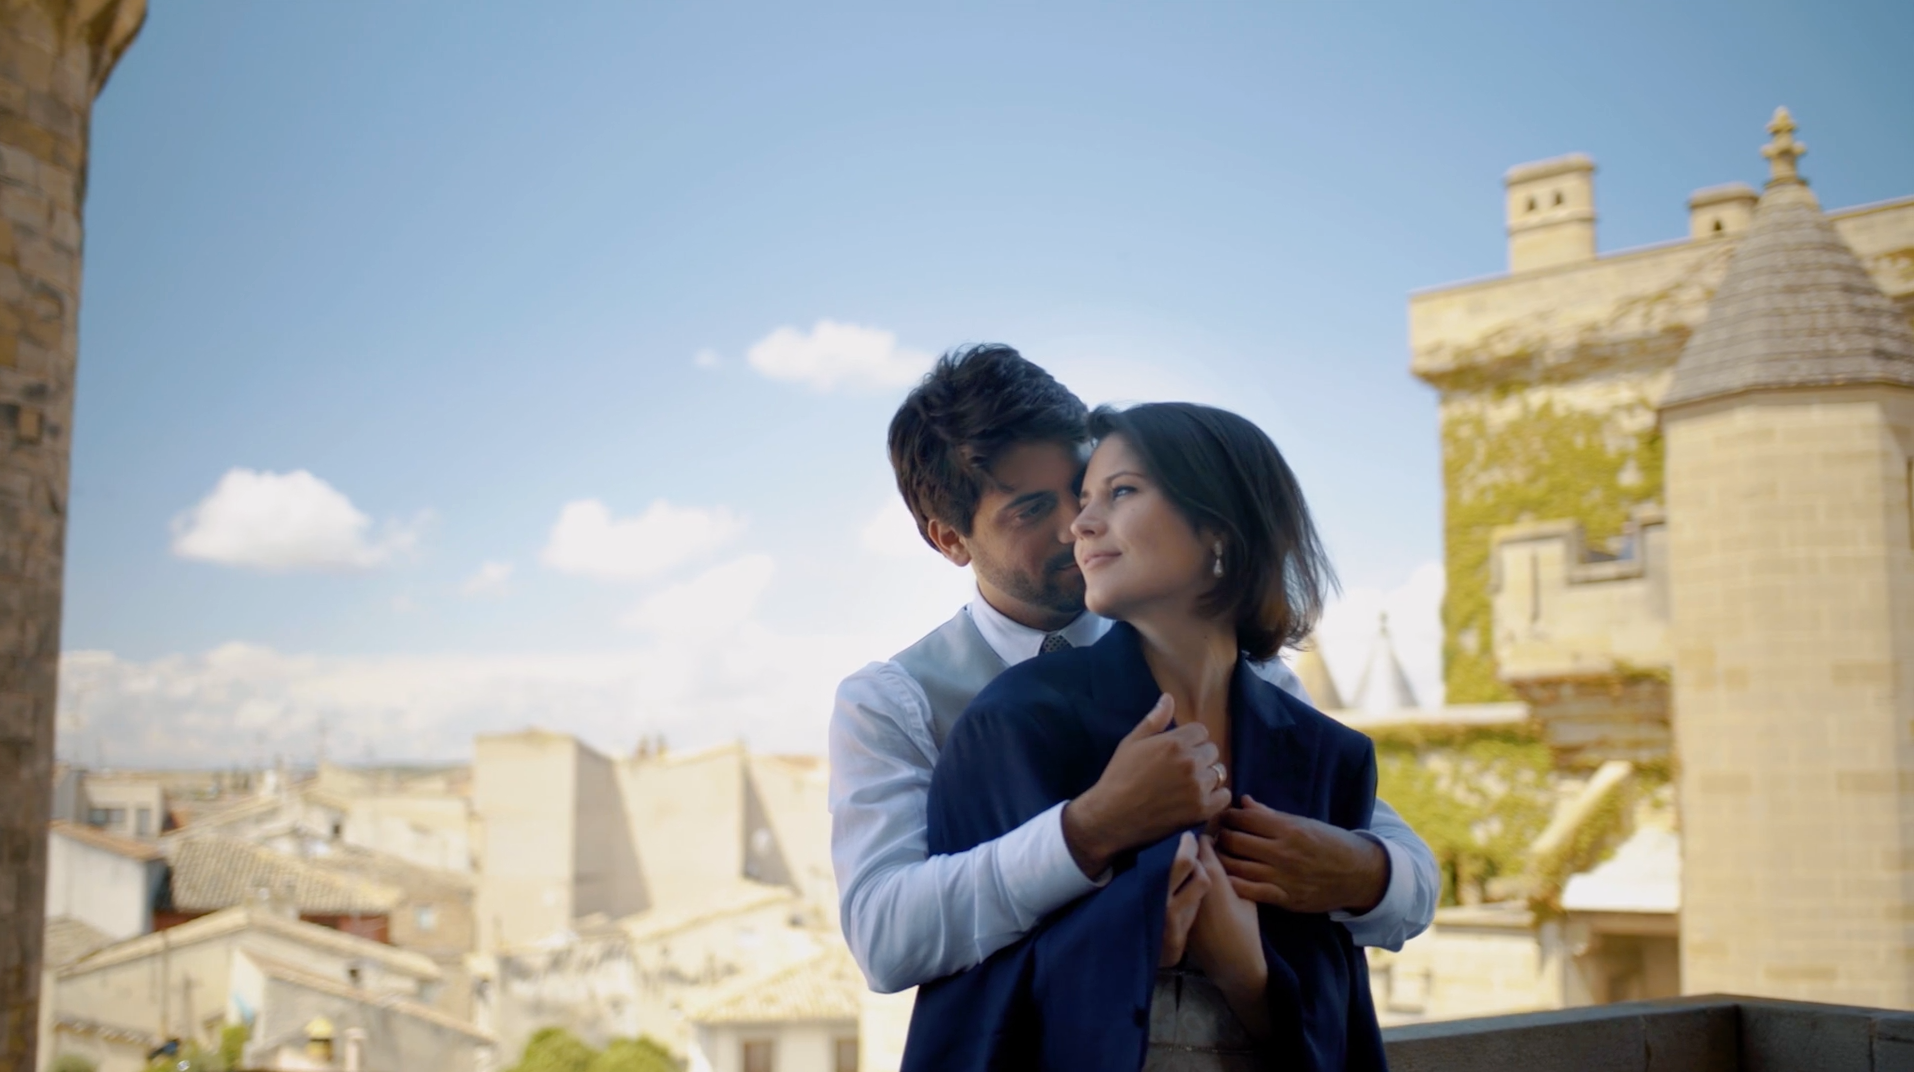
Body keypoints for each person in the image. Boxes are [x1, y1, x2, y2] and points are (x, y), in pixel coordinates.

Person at [828, 345, 1438, 1001]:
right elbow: (885, 939)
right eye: (1032, 509)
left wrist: (1362, 874)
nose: (1078, 526)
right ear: (949, 539)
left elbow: (1411, 881)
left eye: (1086, 489)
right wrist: (1088, 830)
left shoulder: (1233, 665)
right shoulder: (895, 703)